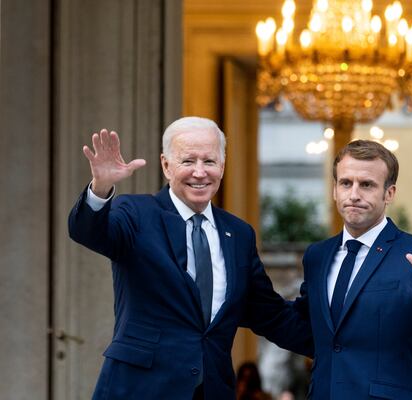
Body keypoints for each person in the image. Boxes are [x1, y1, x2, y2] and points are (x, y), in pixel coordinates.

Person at [68, 117, 313, 400]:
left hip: (212, 390)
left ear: (222, 166)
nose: (200, 172)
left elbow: (270, 314)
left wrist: (341, 344)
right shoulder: (137, 213)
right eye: (188, 161)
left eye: (209, 161)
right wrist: (100, 188)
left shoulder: (239, 234)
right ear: (166, 165)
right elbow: (89, 232)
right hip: (140, 389)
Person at [295, 139, 412, 399]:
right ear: (335, 190)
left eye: (366, 184)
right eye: (345, 183)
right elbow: (303, 327)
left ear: (389, 193)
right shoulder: (317, 256)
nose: (354, 194)